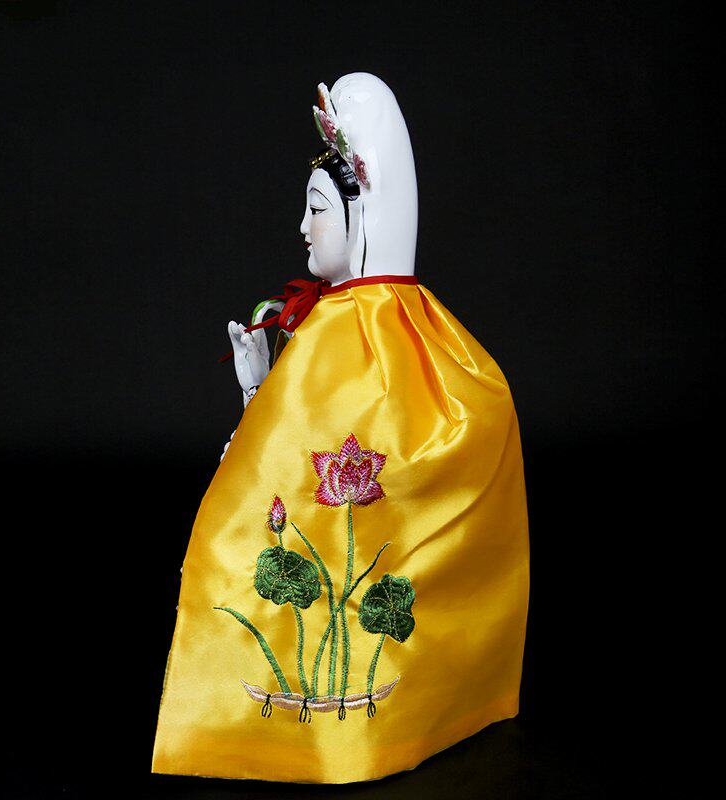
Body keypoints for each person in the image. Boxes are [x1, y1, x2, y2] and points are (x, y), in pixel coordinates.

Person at [151, 72, 530, 784]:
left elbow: (289, 460)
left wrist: (264, 396)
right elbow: (286, 457)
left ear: (363, 216)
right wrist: (257, 385)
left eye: (318, 208)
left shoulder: (354, 335)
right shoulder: (357, 329)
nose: (303, 227)